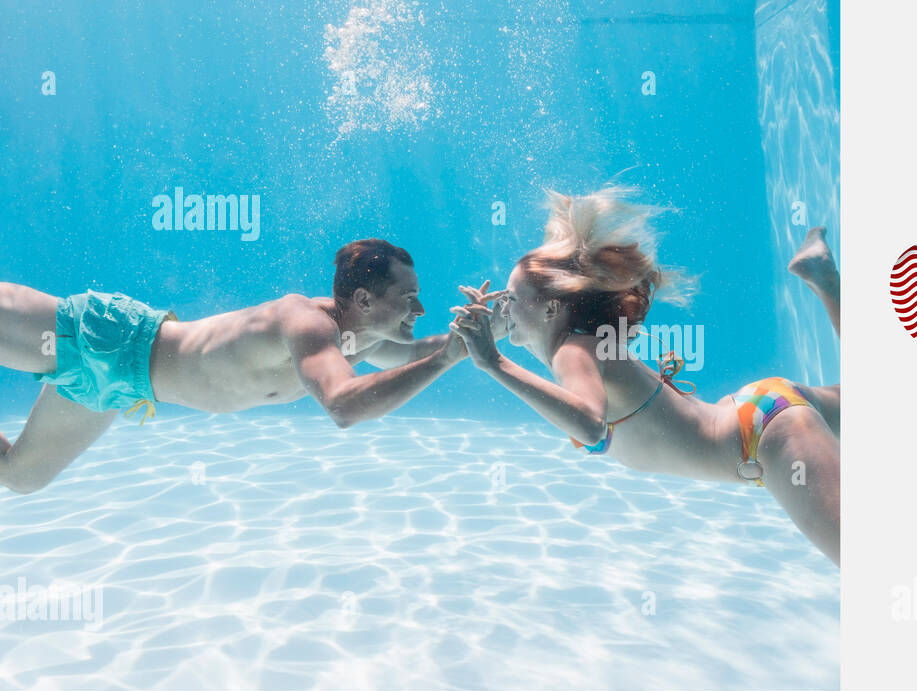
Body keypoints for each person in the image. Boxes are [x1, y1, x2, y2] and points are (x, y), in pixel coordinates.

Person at [449, 190, 842, 565]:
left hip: (764, 437)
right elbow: (549, 363)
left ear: (552, 310)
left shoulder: (573, 350)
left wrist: (494, 362)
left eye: (511, 298)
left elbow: (589, 423)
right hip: (758, 413)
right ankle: (824, 278)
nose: (503, 305)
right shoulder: (580, 345)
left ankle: (825, 280)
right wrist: (496, 333)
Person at [0, 238, 482, 495]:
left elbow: (421, 353)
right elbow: (343, 405)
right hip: (114, 339)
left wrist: (491, 325)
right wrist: (446, 359)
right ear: (362, 298)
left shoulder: (362, 338)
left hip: (125, 390)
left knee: (21, 476)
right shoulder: (307, 324)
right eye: (408, 298)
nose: (420, 311)